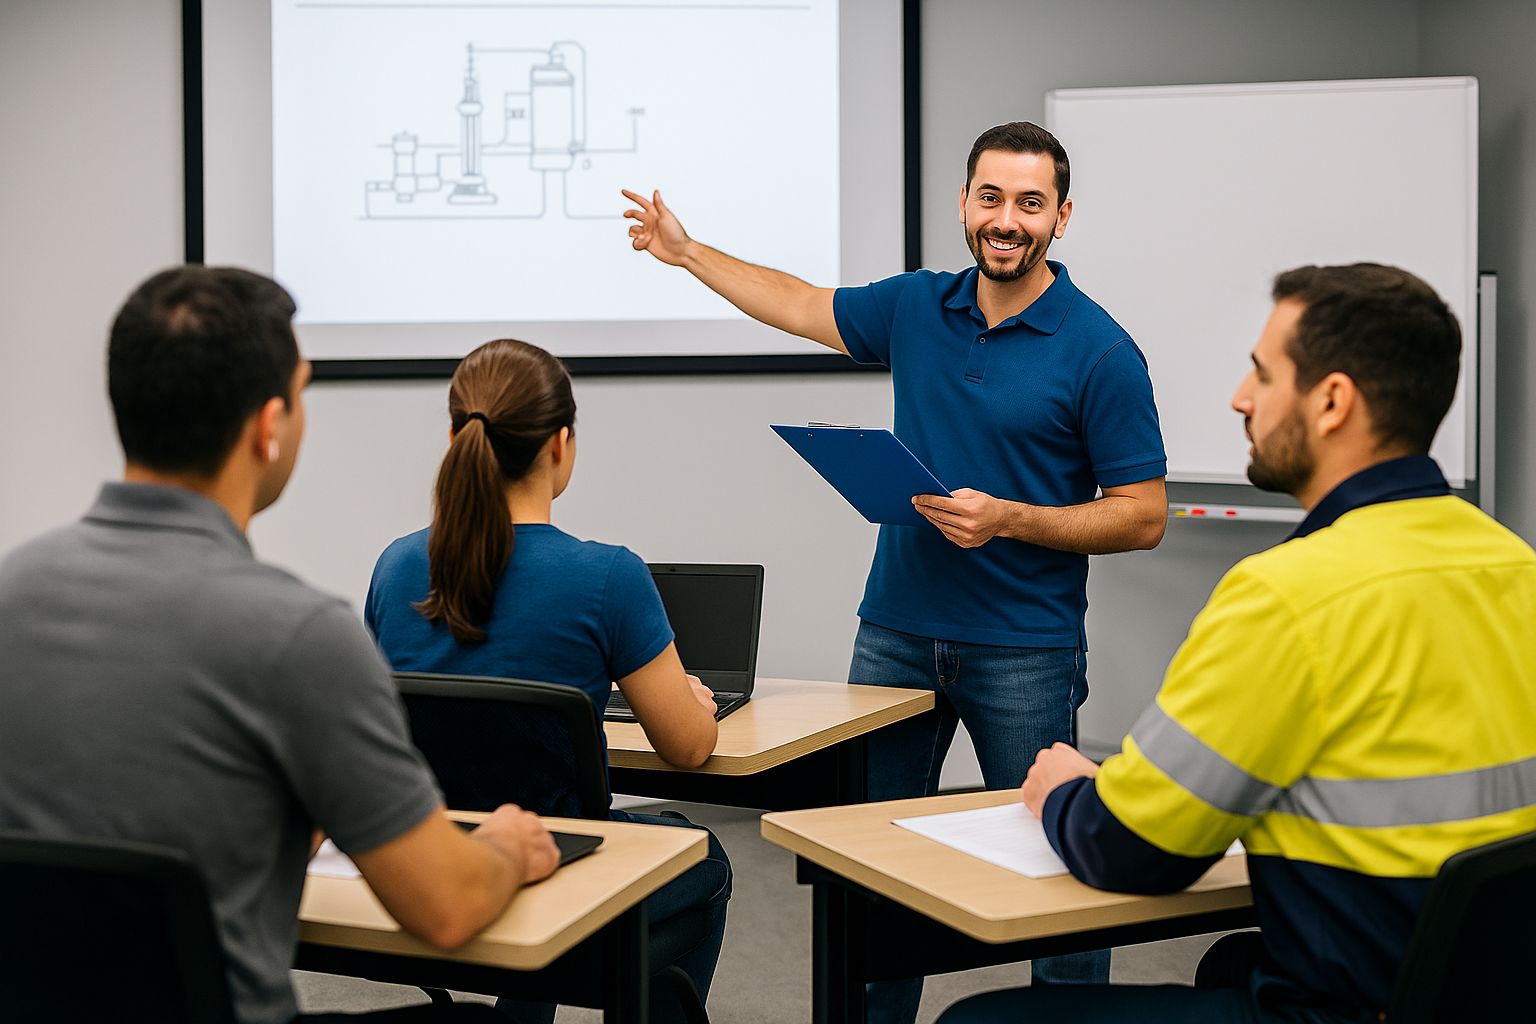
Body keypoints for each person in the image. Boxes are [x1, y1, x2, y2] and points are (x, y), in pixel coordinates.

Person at [623, 120, 1167, 1011]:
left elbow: (1143, 517)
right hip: (896, 636)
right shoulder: (919, 306)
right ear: (963, 203)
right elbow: (796, 302)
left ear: (1060, 218)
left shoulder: (1101, 351)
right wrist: (687, 254)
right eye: (990, 197)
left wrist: (1011, 519)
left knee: (1066, 873)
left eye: (1030, 203)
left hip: (1026, 653)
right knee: (868, 867)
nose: (1007, 219)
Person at [937, 263, 1536, 1023]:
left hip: (1355, 1007)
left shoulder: (1289, 595)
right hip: (1483, 991)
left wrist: (1061, 793)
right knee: (1231, 961)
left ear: (1331, 402)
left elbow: (1133, 852)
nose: (1240, 398)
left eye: (1262, 373)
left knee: (977, 1021)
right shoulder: (1518, 566)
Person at [0, 266, 560, 1024]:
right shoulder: (298, 639)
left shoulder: (12, 591)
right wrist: (504, 846)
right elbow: (449, 909)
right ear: (270, 427)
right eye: (301, 393)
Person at [364, 338, 733, 1024]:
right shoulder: (608, 577)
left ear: (454, 437)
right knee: (702, 853)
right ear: (562, 444)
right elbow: (688, 749)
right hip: (562, 863)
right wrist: (691, 702)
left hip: (434, 850)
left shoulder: (395, 567)